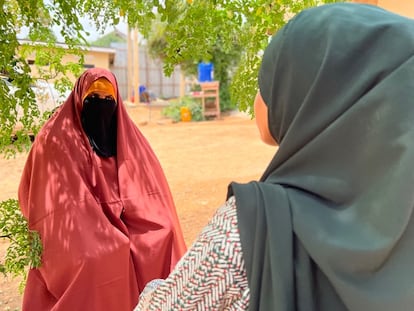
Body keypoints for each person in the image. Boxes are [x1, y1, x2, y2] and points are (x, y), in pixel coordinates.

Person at [134, 3, 414, 310]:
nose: (258, 98)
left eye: (267, 83)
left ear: (312, 96)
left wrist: (152, 288)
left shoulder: (251, 232)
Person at [18, 68, 187, 311]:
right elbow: (61, 208)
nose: (101, 106)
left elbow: (147, 193)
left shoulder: (127, 136)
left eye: (109, 101)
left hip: (125, 218)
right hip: (82, 229)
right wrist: (109, 232)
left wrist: (125, 218)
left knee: (163, 233)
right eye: (93, 99)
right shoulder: (56, 139)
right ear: (79, 100)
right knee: (100, 257)